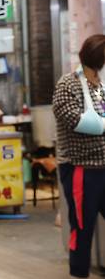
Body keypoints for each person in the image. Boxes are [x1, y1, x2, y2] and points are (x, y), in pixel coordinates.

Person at [53, 34, 105, 278]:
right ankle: (79, 272)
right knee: (82, 226)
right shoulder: (68, 84)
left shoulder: (101, 85)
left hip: (103, 166)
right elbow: (74, 119)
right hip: (81, 168)